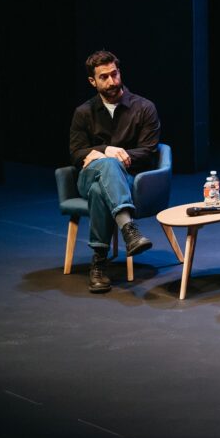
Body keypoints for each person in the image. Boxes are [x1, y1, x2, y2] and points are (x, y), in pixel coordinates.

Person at [69, 50, 160, 294]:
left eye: (115, 74)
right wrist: (106, 150)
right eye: (104, 77)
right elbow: (76, 153)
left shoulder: (144, 108)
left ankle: (99, 261)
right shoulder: (83, 112)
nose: (112, 81)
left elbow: (150, 151)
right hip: (87, 179)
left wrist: (120, 156)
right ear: (93, 81)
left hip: (128, 180)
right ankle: (129, 230)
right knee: (105, 167)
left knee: (103, 187)